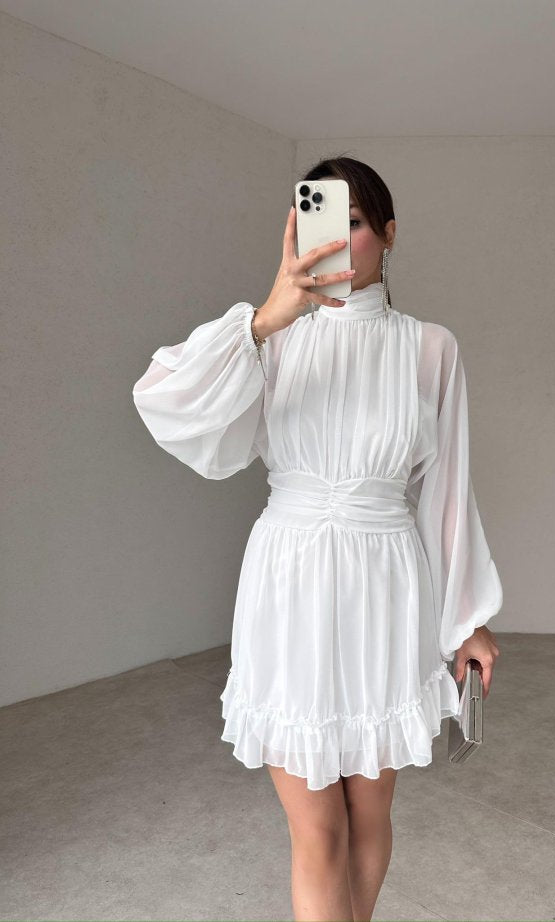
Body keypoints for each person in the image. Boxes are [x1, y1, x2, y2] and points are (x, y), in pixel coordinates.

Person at [132, 156, 502, 922]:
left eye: (352, 221)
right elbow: (164, 400)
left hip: (385, 585)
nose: (331, 239)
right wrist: (265, 318)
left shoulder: (431, 347)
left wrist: (466, 620)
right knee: (317, 830)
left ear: (388, 234)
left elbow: (447, 490)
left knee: (368, 817)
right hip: (290, 582)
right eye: (315, 221)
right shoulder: (269, 338)